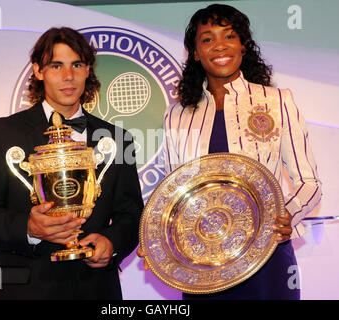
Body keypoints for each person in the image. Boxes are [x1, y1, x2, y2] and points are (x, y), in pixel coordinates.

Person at [138, 4, 321, 300]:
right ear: (195, 53)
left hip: (267, 254)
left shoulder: (278, 102)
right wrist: (155, 237)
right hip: (203, 265)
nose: (219, 46)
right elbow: (172, 192)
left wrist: (289, 214)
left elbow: (309, 182)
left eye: (229, 36)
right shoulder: (177, 115)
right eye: (207, 39)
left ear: (243, 46)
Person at [0, 27, 143, 300]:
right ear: (38, 71)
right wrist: (28, 228)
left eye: (77, 65)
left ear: (88, 70)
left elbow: (131, 214)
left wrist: (111, 241)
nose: (68, 76)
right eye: (56, 65)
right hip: (26, 291)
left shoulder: (118, 139)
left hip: (96, 289)